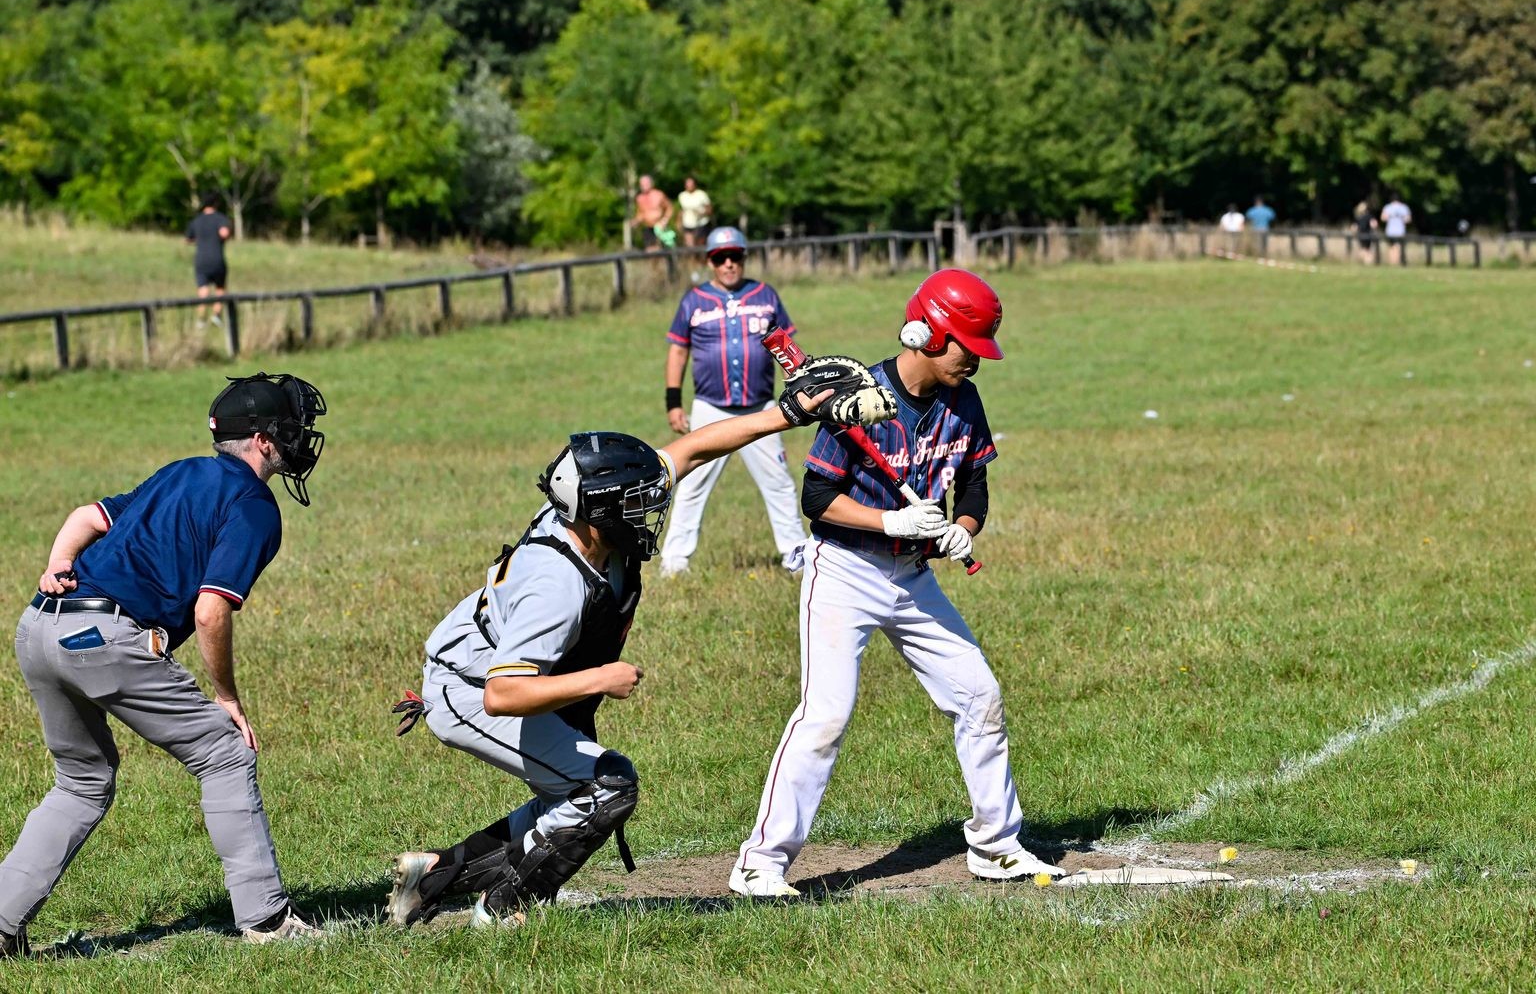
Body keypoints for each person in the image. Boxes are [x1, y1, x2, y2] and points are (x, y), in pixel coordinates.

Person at [382, 366, 895, 927]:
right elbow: (505, 693)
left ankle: (431, 876)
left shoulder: (589, 518)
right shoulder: (556, 585)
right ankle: (503, 909)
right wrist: (600, 680)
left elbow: (695, 447)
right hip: (469, 688)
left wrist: (789, 415)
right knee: (606, 786)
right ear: (601, 517)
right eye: (637, 504)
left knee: (574, 795)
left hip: (507, 676)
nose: (650, 511)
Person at [729, 268, 1066, 899]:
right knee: (825, 716)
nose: (978, 361)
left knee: (979, 696)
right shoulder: (860, 397)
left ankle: (996, 845)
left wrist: (962, 528)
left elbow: (974, 485)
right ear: (930, 334)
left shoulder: (963, 400)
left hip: (912, 577)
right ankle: (760, 863)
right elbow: (817, 498)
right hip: (845, 571)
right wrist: (892, 518)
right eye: (970, 346)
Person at [0, 373, 329, 956]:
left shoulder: (181, 471)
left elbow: (87, 515)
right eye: (290, 429)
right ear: (261, 440)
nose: (299, 439)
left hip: (38, 627)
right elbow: (210, 612)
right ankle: (268, 921)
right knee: (224, 752)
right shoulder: (254, 505)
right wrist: (226, 696)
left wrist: (57, 562)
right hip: (102, 639)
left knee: (82, 782)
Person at [658, 225, 808, 577]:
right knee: (692, 483)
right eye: (720, 257)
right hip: (710, 408)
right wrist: (673, 402)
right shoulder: (693, 300)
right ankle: (675, 562)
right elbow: (678, 351)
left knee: (780, 483)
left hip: (762, 409)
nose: (728, 264)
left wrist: (801, 384)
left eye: (735, 256)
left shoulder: (764, 294)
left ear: (743, 257)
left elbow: (786, 347)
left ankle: (795, 556)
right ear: (710, 261)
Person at [185, 192, 232, 329]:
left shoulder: (197, 220)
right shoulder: (220, 219)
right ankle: (216, 315)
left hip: (200, 259)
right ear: (216, 203)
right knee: (220, 287)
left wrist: (200, 240)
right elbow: (224, 233)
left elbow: (188, 239)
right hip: (216, 258)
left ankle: (201, 319)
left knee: (203, 289)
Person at [632, 175, 676, 250]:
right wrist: (636, 221)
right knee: (650, 252)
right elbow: (641, 214)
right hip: (648, 227)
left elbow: (669, 207)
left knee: (659, 250)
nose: (644, 186)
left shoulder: (659, 195)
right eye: (642, 184)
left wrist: (665, 219)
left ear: (651, 184)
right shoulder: (639, 198)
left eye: (646, 183)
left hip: (659, 227)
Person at [677, 176, 714, 248]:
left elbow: (710, 209)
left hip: (701, 223)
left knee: (700, 244)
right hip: (688, 223)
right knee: (690, 245)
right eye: (687, 184)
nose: (689, 186)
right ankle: (692, 258)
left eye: (691, 184)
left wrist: (702, 213)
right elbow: (681, 210)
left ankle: (701, 258)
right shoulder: (682, 196)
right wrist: (678, 221)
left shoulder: (701, 194)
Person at [1380, 194, 1411, 265]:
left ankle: (1392, 263)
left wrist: (1390, 217)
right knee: (1398, 247)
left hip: (1390, 231)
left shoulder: (1388, 207)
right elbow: (1408, 219)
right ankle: (1396, 263)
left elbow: (1383, 218)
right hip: (1400, 231)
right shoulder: (1404, 207)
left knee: (1391, 247)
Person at [1353, 200, 1379, 265]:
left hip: (1361, 235)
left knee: (1363, 249)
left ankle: (1366, 261)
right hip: (1368, 235)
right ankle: (1368, 262)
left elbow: (1354, 227)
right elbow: (1374, 225)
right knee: (1367, 249)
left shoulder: (1358, 218)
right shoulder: (1370, 216)